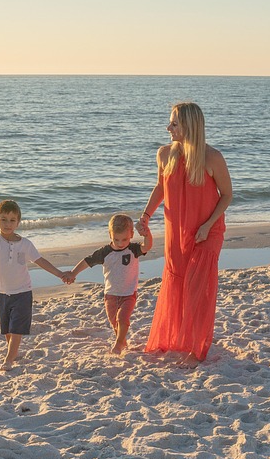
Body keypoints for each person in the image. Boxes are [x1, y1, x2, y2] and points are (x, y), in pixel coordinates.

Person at [137, 102, 233, 365]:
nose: (168, 127)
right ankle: (175, 338)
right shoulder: (164, 154)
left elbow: (227, 195)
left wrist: (207, 225)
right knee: (177, 281)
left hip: (207, 231)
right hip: (176, 229)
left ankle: (195, 350)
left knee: (197, 287)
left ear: (189, 126)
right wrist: (145, 216)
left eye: (174, 123)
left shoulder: (212, 157)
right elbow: (161, 188)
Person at [0, 199, 72, 374]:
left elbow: (40, 261)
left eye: (12, 220)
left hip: (22, 292)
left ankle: (9, 358)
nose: (7, 224)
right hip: (1, 293)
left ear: (18, 222)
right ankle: (13, 352)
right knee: (7, 330)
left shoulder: (25, 244)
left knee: (17, 328)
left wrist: (59, 273)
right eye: (3, 219)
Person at [68, 213, 154, 355]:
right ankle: (121, 340)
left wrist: (147, 234)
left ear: (132, 234)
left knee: (122, 318)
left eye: (124, 239)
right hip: (111, 294)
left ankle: (119, 343)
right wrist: (73, 273)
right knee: (114, 321)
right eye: (116, 239)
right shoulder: (104, 252)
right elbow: (87, 261)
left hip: (129, 294)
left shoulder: (133, 249)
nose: (120, 243)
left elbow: (147, 246)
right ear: (110, 235)